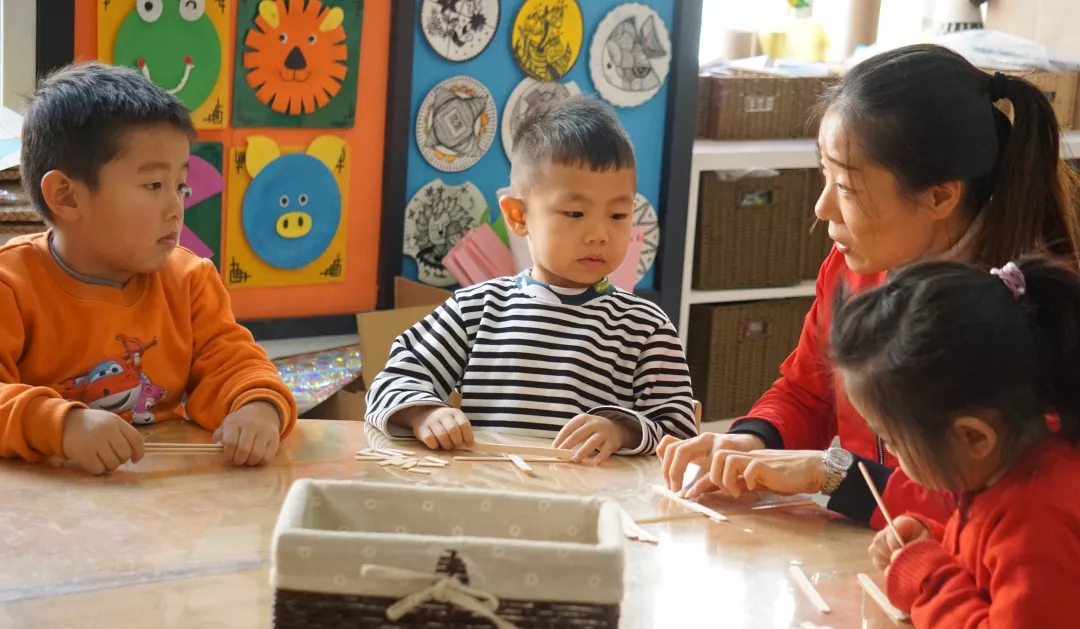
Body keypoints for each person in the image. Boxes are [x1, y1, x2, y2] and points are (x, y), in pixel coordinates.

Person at [659, 44, 1080, 527]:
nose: (821, 208)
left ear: (940, 195)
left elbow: (999, 516)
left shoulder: (1021, 313)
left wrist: (834, 475)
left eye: (845, 187)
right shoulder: (853, 269)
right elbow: (806, 393)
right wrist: (756, 441)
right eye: (825, 175)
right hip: (872, 552)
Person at [0, 62, 297, 474]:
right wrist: (62, 425)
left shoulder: (189, 280)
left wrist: (257, 407)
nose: (176, 208)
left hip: (159, 500)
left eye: (181, 186)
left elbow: (234, 363)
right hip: (45, 512)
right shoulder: (11, 285)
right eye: (154, 186)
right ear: (66, 197)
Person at [366, 96, 696, 462]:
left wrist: (622, 430)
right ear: (518, 215)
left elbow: (680, 427)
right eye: (575, 212)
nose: (600, 234)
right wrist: (424, 413)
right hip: (490, 500)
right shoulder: (475, 310)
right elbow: (392, 381)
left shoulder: (646, 327)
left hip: (591, 508)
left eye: (618, 215)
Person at [833, 257, 1080, 629]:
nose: (892, 457)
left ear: (973, 437)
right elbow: (996, 580)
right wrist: (940, 546)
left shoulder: (1038, 520)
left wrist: (928, 577)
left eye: (892, 442)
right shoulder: (1015, 464)